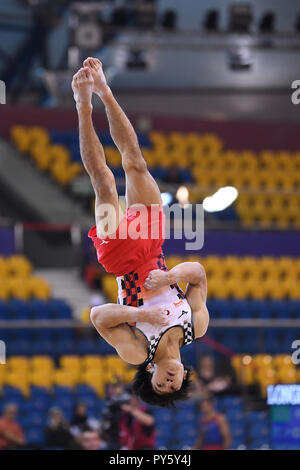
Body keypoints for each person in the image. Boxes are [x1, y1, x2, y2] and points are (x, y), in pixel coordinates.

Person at [72, 57, 209, 408]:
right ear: (183, 376)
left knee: (103, 183)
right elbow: (198, 275)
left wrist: (140, 316)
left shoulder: (137, 351)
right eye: (174, 386)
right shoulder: (197, 327)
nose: (169, 382)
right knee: (135, 161)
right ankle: (104, 89)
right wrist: (170, 277)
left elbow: (98, 317)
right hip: (153, 245)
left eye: (161, 387)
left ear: (149, 372)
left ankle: (83, 102)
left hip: (119, 258)